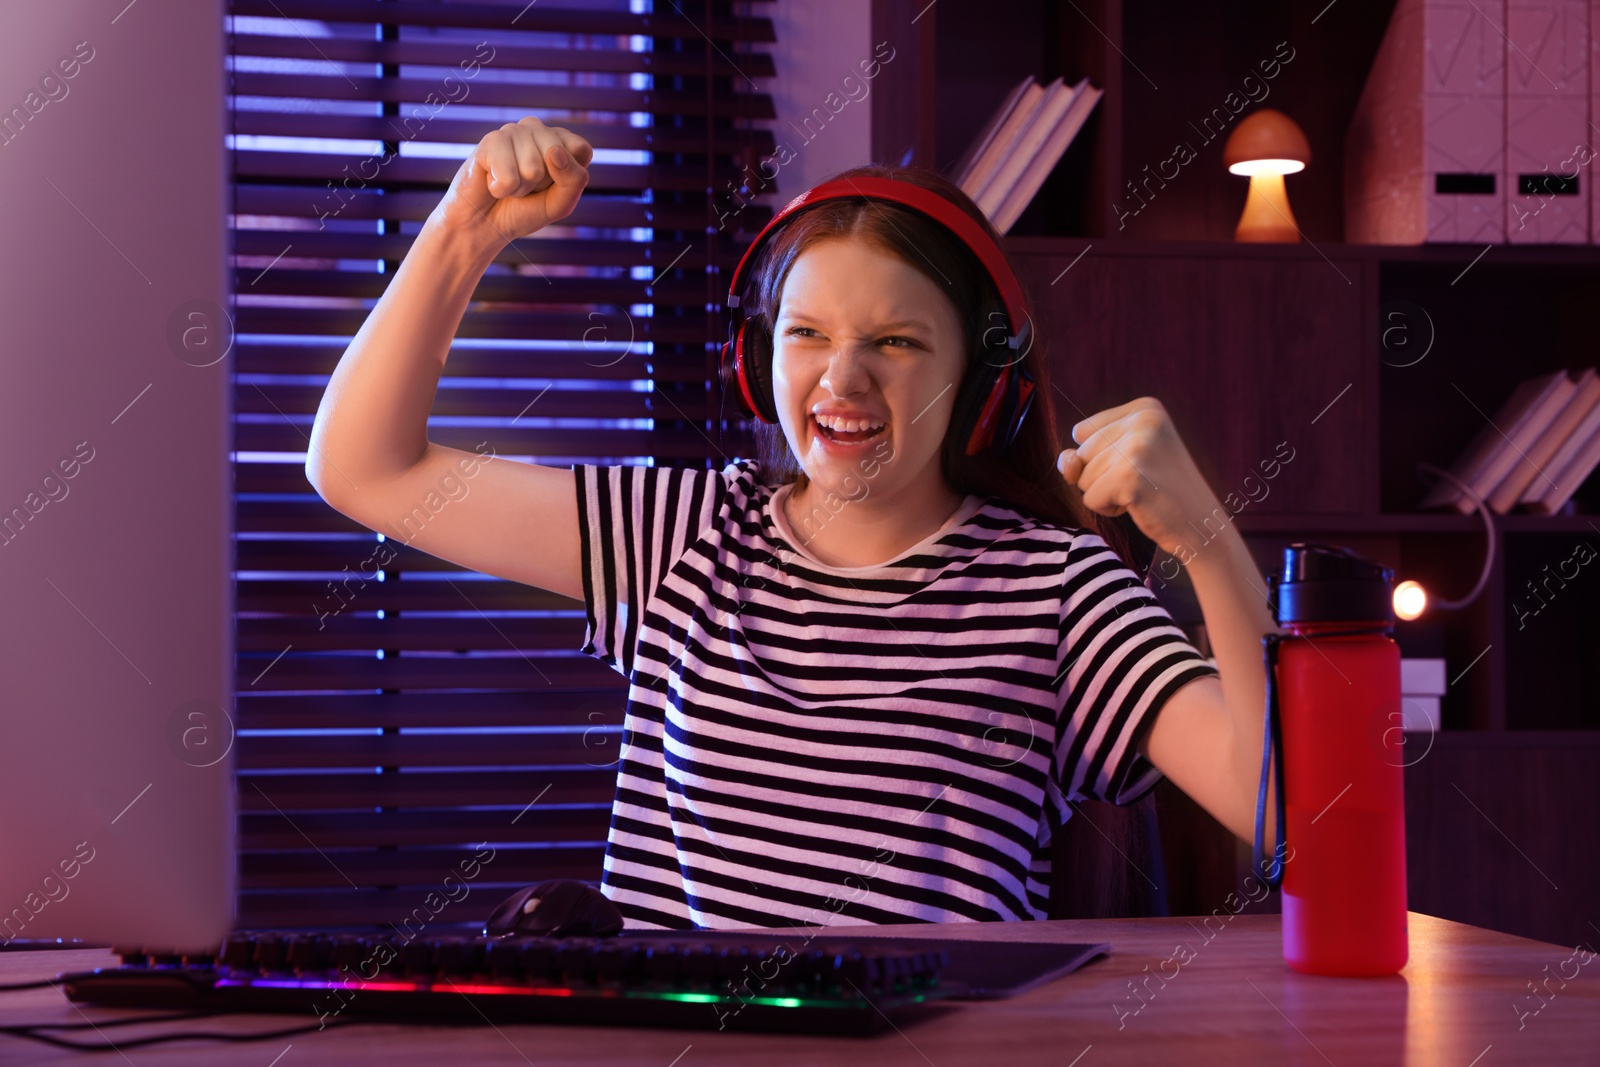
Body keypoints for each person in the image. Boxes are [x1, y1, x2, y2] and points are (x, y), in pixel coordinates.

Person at [308, 117, 1280, 931]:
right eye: (807, 334)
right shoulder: (677, 532)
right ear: (756, 358)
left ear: (981, 385)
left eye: (896, 342)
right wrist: (463, 230)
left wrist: (1201, 534)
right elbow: (364, 468)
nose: (842, 378)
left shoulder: (1056, 590)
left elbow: (1293, 813)